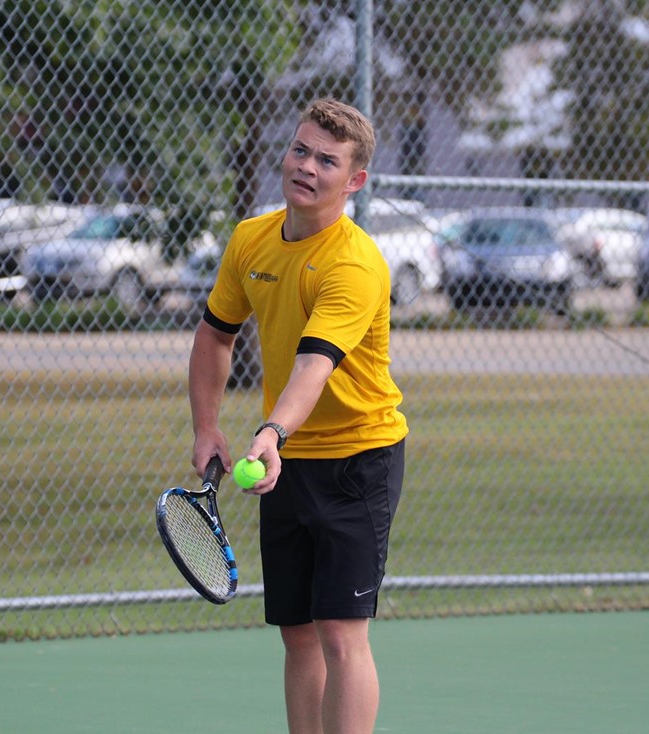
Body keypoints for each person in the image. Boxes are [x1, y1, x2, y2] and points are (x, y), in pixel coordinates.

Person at [188, 97, 407, 734]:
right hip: (286, 463)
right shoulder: (250, 239)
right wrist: (207, 426)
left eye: (327, 160)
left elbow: (314, 365)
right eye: (301, 150)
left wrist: (269, 431)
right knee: (299, 636)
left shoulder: (354, 264)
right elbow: (214, 335)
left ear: (355, 181)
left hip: (359, 459)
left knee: (341, 634)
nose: (307, 167)